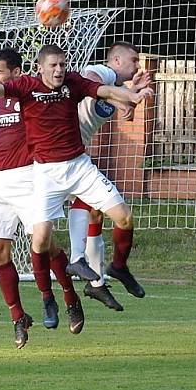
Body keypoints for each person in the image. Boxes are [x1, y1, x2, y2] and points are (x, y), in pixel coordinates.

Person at [0, 44, 152, 333]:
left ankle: (107, 273)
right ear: (40, 68)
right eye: (53, 66)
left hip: (65, 168)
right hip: (34, 176)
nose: (59, 70)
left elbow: (105, 91)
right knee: (30, 244)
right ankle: (47, 299)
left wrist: (132, 95)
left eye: (62, 64)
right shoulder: (21, 89)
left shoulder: (71, 81)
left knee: (118, 218)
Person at [0, 48, 98, 348]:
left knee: (46, 246)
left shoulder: (32, 94)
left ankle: (69, 296)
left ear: (15, 71)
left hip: (31, 176)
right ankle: (18, 317)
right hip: (0, 182)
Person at [68, 42, 151, 311]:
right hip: (55, 157)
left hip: (76, 155)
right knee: (39, 232)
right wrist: (122, 93)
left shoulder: (117, 85)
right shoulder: (101, 72)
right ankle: (82, 276)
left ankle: (103, 277)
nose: (138, 65)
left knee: (100, 213)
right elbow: (90, 82)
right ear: (115, 60)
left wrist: (132, 94)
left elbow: (126, 115)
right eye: (133, 60)